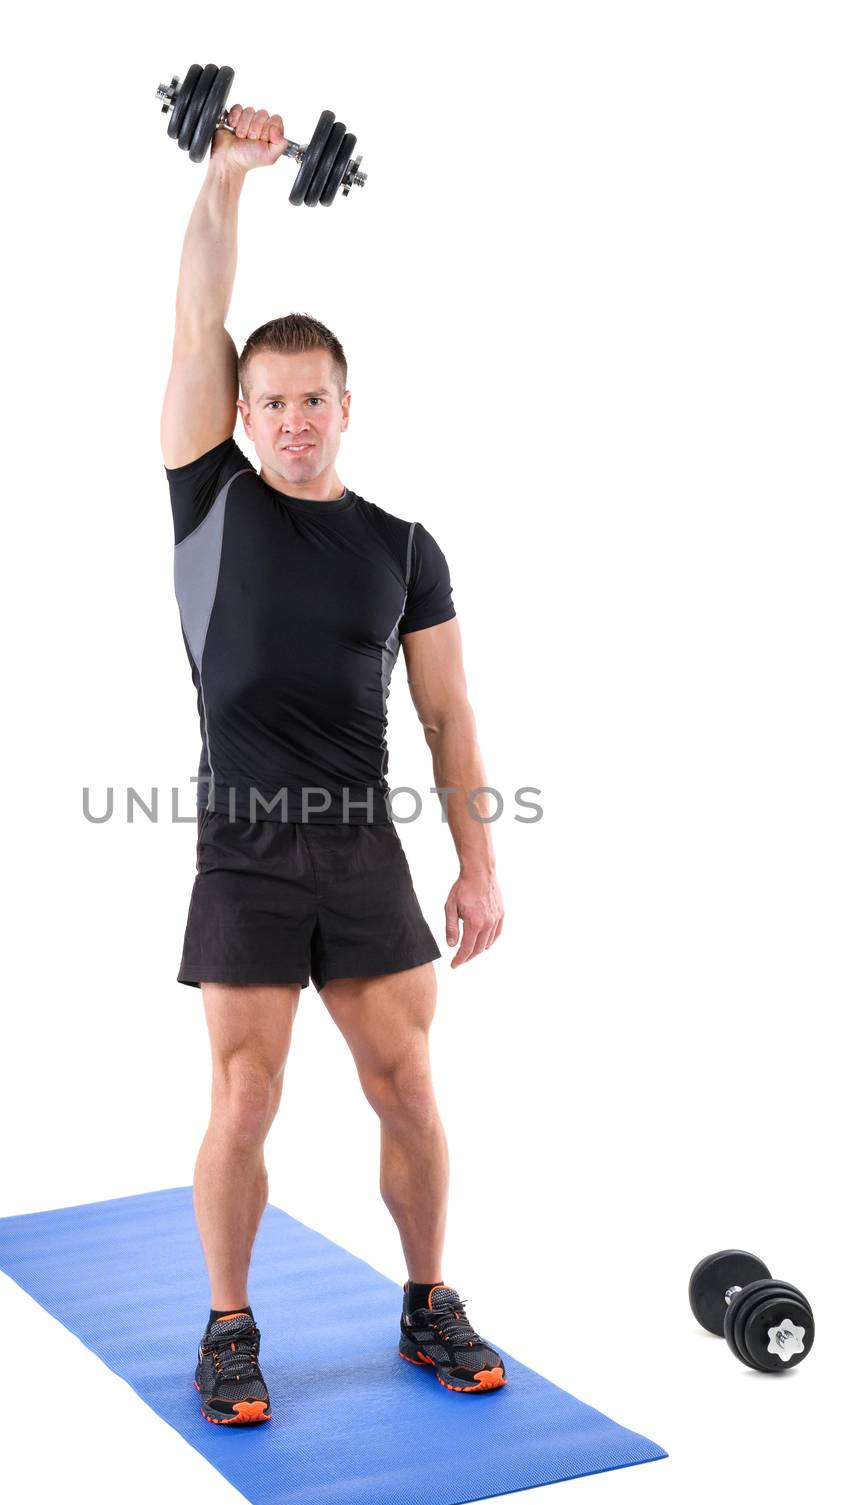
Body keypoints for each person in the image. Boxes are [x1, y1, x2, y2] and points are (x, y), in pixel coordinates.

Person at [161, 103, 506, 1426]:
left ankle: (426, 1298)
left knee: (408, 1082)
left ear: (345, 408)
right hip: (246, 844)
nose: (293, 420)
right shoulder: (210, 498)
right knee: (245, 1088)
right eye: (271, 401)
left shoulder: (404, 545)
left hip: (362, 848)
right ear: (240, 415)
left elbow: (450, 715)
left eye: (313, 401)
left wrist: (477, 861)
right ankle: (229, 1325)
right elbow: (199, 316)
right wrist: (225, 181)